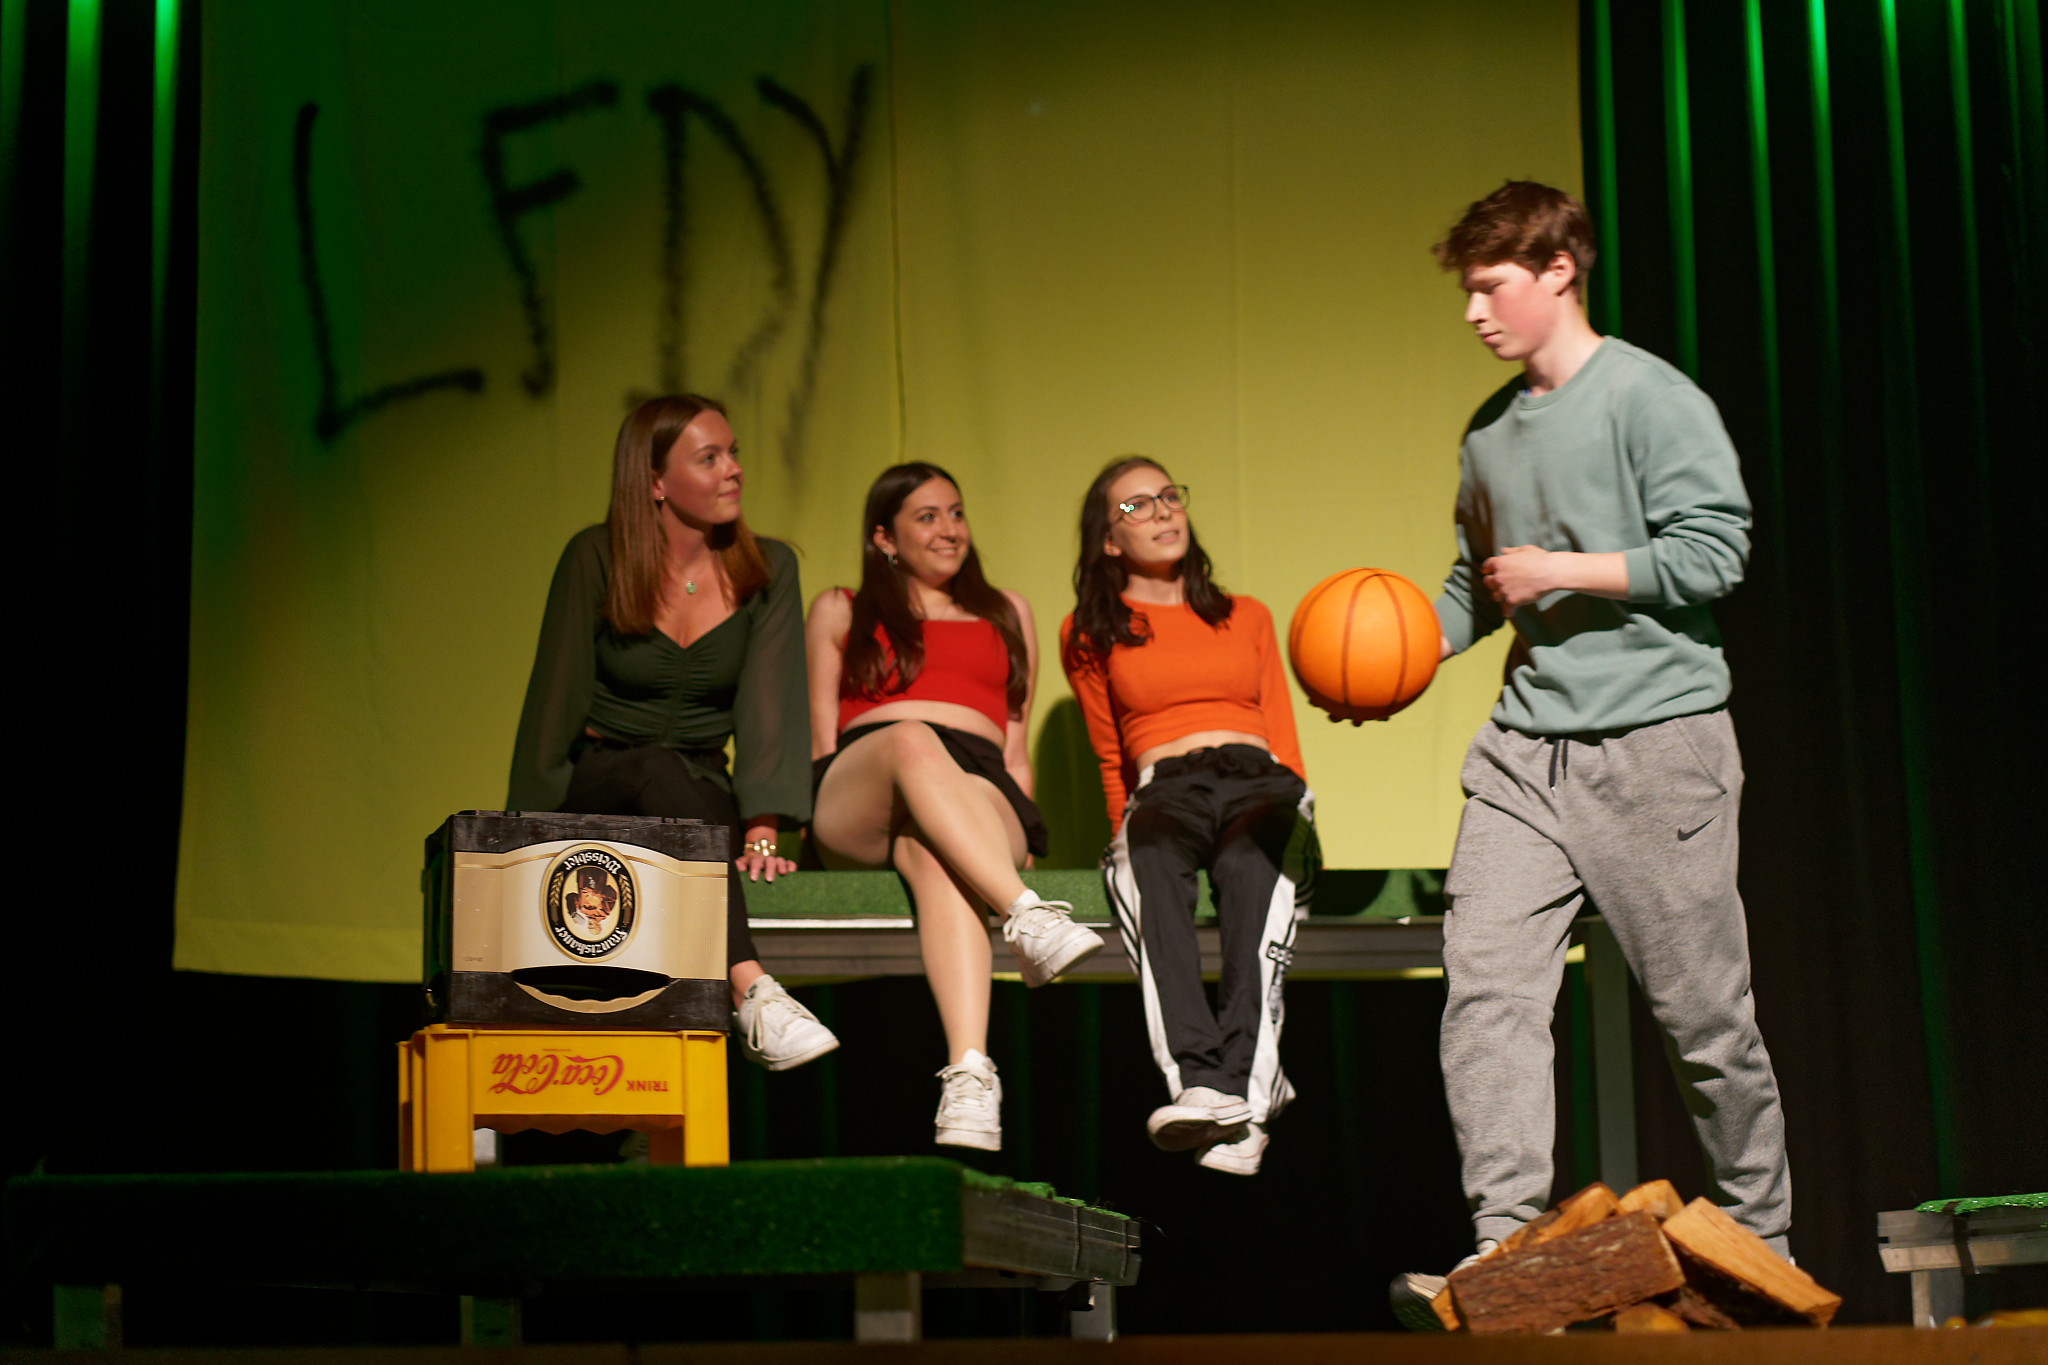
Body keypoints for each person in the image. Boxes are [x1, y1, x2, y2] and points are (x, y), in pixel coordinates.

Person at [1389, 183, 1791, 1328]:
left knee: (1703, 1020)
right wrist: (1399, 658)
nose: (1473, 312)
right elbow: (1475, 584)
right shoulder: (1488, 430)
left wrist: (1561, 571)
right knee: (1486, 996)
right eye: (1466, 291)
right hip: (1523, 756)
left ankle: (1760, 1243)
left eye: (1490, 286)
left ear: (1559, 268)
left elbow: (1714, 551)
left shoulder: (1649, 399)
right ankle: (1503, 1251)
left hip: (1656, 746)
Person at [509, 393, 838, 1072]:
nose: (733, 470)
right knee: (653, 765)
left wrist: (763, 830)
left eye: (733, 453)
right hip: (600, 782)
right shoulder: (595, 556)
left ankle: (726, 1023)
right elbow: (555, 701)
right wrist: (524, 840)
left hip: (698, 786)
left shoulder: (768, 568)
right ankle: (753, 990)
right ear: (655, 481)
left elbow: (770, 706)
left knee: (685, 789)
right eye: (709, 458)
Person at [806, 462, 1104, 1151]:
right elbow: (820, 737)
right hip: (864, 786)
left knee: (935, 850)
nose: (950, 530)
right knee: (912, 736)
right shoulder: (841, 607)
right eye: (927, 516)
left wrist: (1017, 835)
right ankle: (1026, 915)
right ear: (884, 537)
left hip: (976, 783)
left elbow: (1015, 749)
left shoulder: (1006, 611)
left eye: (957, 513)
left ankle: (970, 1075)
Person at [1060, 457, 1316, 1177]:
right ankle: (1203, 1083)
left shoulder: (1247, 614)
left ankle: (1248, 1093)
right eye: (1136, 506)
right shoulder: (1090, 630)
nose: (1163, 511)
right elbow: (1109, 750)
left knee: (1253, 872)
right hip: (1165, 787)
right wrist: (1122, 824)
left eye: (1168, 496)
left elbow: (1282, 730)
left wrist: (1301, 805)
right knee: (1145, 865)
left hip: (1256, 778)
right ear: (1108, 539)